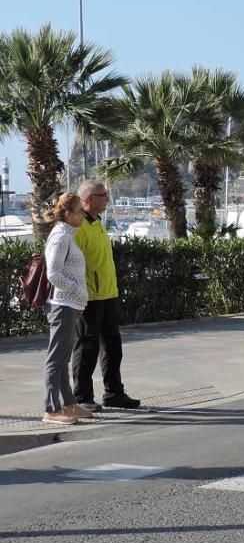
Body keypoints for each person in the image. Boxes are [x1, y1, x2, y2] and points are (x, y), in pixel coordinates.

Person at [71, 181, 140, 411]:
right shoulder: (79, 226)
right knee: (86, 347)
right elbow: (72, 264)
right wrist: (79, 294)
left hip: (108, 293)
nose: (107, 199)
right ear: (89, 199)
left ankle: (114, 393)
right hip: (89, 297)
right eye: (103, 195)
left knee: (112, 346)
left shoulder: (97, 222)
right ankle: (81, 397)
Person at [41, 193, 94, 425]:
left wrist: (79, 299)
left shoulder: (67, 236)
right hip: (61, 304)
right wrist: (77, 291)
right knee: (56, 358)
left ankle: (69, 404)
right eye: (80, 211)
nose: (83, 215)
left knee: (62, 358)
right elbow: (53, 274)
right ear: (69, 214)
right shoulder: (60, 237)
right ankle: (51, 409)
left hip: (69, 304)